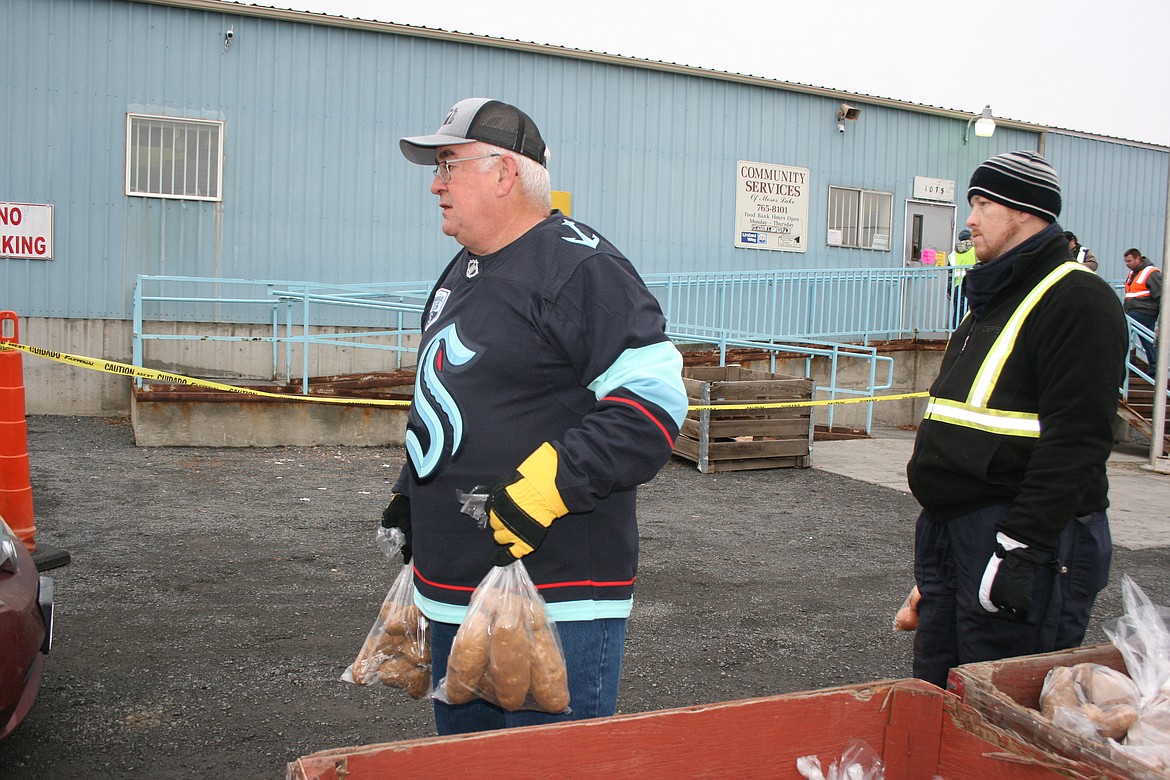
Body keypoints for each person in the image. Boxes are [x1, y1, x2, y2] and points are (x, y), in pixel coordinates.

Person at [380, 97, 688, 735]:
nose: (435, 183)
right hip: (455, 596)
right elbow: (449, 391)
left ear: (503, 172)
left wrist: (553, 483)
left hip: (550, 604)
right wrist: (412, 494)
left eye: (448, 164)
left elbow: (654, 403)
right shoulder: (465, 267)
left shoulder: (580, 267)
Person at [906, 151, 1128, 689]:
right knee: (940, 690)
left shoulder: (1076, 298)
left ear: (1026, 212)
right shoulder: (994, 297)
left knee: (1000, 701)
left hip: (1023, 539)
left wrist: (1018, 550)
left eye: (983, 204)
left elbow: (1077, 442)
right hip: (958, 534)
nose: (971, 218)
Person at [1123, 247, 1162, 369]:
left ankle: (1122, 360)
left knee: (1122, 327)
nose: (1127, 264)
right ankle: (1154, 367)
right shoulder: (1133, 273)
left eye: (1129, 261)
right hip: (1134, 310)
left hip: (1144, 310)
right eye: (1126, 262)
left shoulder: (1151, 273)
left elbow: (1160, 294)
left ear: (1138, 259)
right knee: (1147, 340)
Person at [948, 228, 977, 327]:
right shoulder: (976, 250)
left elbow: (950, 274)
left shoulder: (952, 255)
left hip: (958, 285)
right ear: (970, 238)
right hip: (973, 283)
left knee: (958, 312)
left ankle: (956, 334)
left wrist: (949, 289)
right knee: (973, 311)